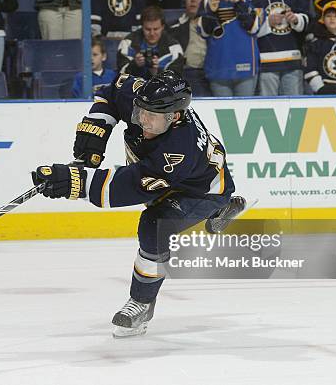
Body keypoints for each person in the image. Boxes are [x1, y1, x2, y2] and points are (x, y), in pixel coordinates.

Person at [31, 70, 246, 337]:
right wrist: (97, 129)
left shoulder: (177, 150)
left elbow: (126, 187)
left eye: (151, 117)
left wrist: (74, 182)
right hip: (187, 176)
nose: (143, 120)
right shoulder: (147, 99)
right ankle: (220, 214)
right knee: (160, 208)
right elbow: (111, 92)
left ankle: (142, 303)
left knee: (154, 227)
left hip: (201, 191)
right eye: (140, 111)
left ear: (174, 116)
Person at [249, 0, 310, 96]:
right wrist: (266, 22)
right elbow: (247, 26)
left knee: (294, 109)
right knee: (268, 109)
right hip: (264, 63)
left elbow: (308, 18)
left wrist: (296, 19)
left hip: (292, 60)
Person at [200, 0, 260, 96]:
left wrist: (238, 2)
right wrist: (211, 12)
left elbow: (254, 27)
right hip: (218, 65)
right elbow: (204, 32)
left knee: (244, 112)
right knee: (223, 113)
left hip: (245, 65)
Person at [117, 5, 185, 79]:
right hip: (134, 88)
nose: (152, 33)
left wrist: (157, 72)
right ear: (142, 27)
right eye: (148, 29)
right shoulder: (128, 43)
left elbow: (175, 81)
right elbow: (121, 80)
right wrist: (135, 65)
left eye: (156, 29)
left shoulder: (174, 48)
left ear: (162, 27)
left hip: (161, 89)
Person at [169, 0, 208, 69]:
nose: (193, 0)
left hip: (210, 70)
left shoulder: (214, 25)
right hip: (187, 71)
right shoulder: (174, 27)